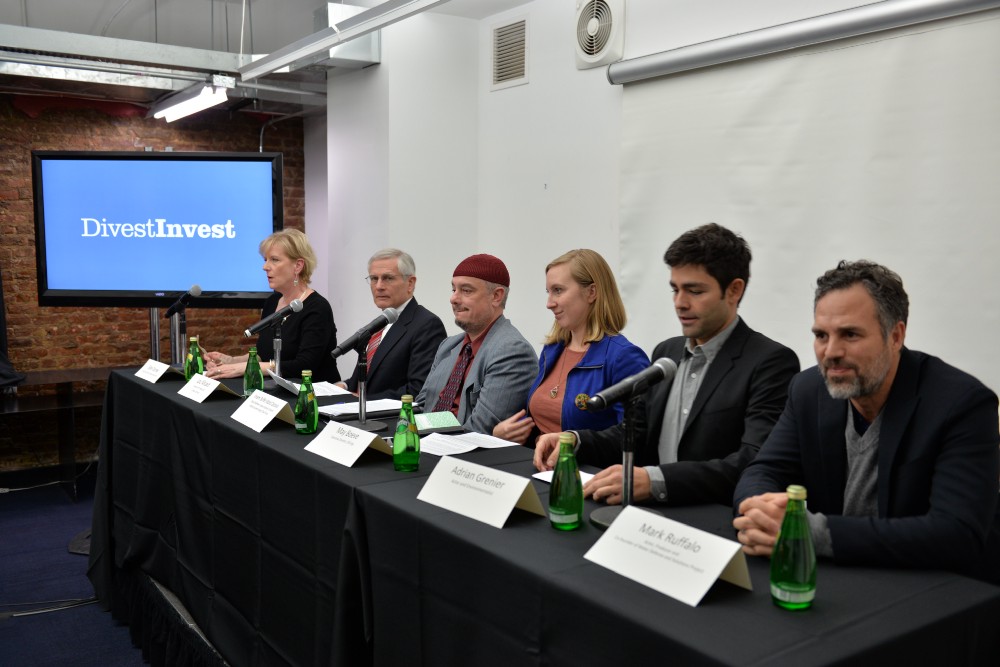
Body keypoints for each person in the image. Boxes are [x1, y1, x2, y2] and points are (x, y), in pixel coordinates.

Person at [733, 260, 1000, 583]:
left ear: (896, 336)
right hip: (841, 580)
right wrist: (762, 511)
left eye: (850, 334)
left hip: (932, 594)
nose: (830, 351)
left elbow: (957, 534)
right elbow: (763, 470)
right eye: (821, 335)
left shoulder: (962, 404)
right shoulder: (807, 390)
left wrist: (808, 532)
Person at [533, 223, 799, 507]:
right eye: (675, 290)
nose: (680, 303)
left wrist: (658, 480)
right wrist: (575, 440)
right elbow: (634, 433)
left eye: (694, 291)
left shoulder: (770, 362)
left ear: (734, 291)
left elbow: (753, 461)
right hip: (650, 516)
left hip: (714, 521)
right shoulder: (667, 353)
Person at [492, 249, 648, 446]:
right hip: (541, 468)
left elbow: (635, 437)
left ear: (591, 292)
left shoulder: (624, 357)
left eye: (558, 290)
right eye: (548, 292)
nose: (549, 303)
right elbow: (545, 420)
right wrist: (503, 432)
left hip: (585, 473)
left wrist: (574, 443)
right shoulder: (552, 351)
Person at [415, 253, 537, 434]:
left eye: (466, 290)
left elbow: (481, 429)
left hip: (465, 457)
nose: (454, 299)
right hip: (429, 445)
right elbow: (422, 408)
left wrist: (420, 431)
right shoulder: (449, 346)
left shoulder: (512, 352)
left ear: (496, 296)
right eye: (453, 289)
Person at [204, 228, 340, 382]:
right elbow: (265, 355)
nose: (265, 267)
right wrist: (231, 361)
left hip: (313, 396)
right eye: (265, 260)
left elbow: (304, 365)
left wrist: (247, 367)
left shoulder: (317, 307)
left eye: (274, 260)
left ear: (298, 266)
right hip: (277, 392)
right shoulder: (272, 302)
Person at [339, 248, 447, 400]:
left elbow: (418, 389)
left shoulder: (427, 325)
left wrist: (362, 401)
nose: (379, 286)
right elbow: (371, 377)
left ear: (410, 283)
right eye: (374, 278)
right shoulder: (379, 324)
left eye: (388, 278)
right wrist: (344, 385)